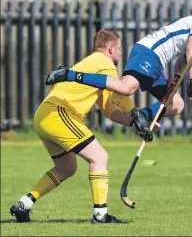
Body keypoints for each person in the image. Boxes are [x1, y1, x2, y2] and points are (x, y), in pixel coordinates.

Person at [10, 30, 152, 224]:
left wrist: (133, 123)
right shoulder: (104, 63)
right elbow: (120, 94)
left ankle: (24, 204)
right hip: (59, 114)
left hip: (45, 116)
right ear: (111, 48)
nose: (120, 53)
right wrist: (137, 112)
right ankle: (100, 215)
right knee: (100, 157)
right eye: (119, 49)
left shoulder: (91, 64)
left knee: (66, 168)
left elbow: (109, 109)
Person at [46, 15, 192, 128]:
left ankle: (139, 117)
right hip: (148, 52)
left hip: (158, 63)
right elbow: (189, 50)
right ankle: (68, 74)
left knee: (176, 105)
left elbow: (182, 62)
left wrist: (177, 78)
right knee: (126, 89)